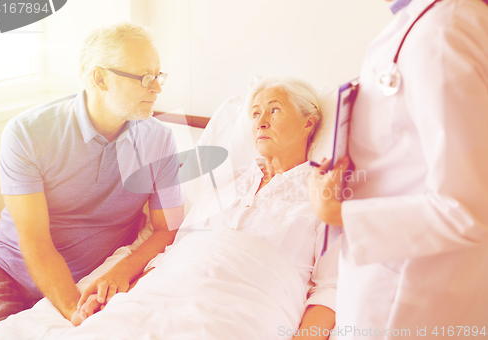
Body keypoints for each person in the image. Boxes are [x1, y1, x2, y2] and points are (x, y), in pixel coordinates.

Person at [69, 77, 340, 339]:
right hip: (168, 290)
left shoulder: (324, 196)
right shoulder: (225, 182)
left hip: (246, 310)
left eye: (275, 110)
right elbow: (178, 249)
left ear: (308, 123)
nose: (261, 122)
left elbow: (329, 289)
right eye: (255, 114)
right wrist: (123, 299)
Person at [309, 0, 488, 338]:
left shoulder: (444, 31)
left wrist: (337, 213)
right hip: (387, 277)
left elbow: (468, 207)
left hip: (409, 296)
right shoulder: (422, 22)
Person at [0, 22, 184, 327]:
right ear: (100, 78)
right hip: (6, 271)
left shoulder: (159, 140)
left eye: (158, 75)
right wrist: (71, 310)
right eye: (145, 78)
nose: (157, 88)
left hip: (90, 279)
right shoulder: (28, 133)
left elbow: (167, 227)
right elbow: (35, 240)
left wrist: (121, 272)